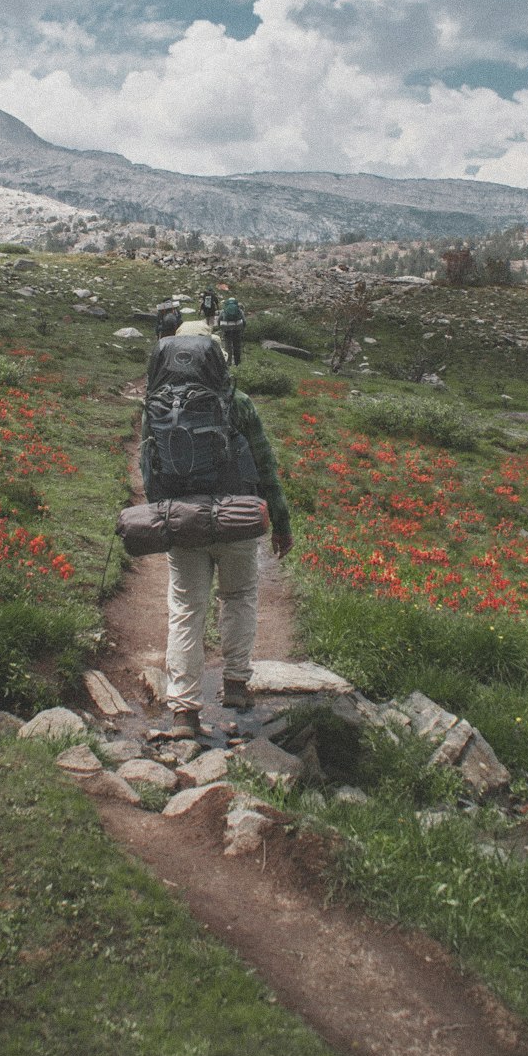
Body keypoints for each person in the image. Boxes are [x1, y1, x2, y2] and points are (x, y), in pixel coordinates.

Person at [141, 323, 293, 739]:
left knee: (187, 611)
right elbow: (265, 467)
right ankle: (237, 686)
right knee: (239, 596)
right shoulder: (236, 401)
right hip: (237, 518)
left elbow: (147, 467)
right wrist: (281, 522)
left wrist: (162, 516)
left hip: (183, 518)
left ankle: (184, 712)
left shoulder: (155, 403)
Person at [218, 296, 246, 366]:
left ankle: (228, 362)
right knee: (237, 346)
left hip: (227, 330)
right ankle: (237, 363)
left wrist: (220, 328)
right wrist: (243, 329)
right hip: (237, 329)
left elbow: (219, 320)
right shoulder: (239, 310)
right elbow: (244, 321)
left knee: (228, 346)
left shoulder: (224, 310)